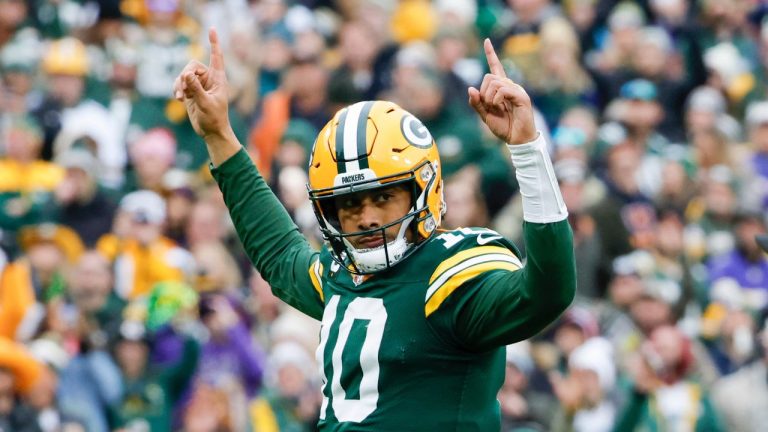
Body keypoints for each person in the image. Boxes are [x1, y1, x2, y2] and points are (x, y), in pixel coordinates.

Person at [175, 29, 575, 430]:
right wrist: (219, 136)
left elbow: (547, 291)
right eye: (348, 204)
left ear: (423, 190)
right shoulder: (342, 277)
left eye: (383, 198)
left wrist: (527, 149)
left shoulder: (452, 275)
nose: (365, 217)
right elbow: (280, 256)